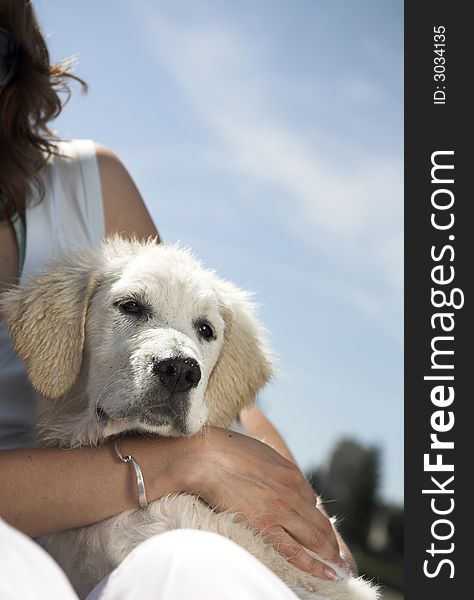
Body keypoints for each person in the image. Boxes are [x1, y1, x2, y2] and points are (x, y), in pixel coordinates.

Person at [0, 2, 356, 598]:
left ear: (18, 67)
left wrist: (302, 518)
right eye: (130, 308)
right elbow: (194, 452)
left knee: (199, 568)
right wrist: (174, 465)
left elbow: (224, 407)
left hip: (142, 523)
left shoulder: (87, 182)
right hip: (33, 534)